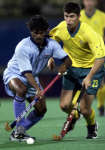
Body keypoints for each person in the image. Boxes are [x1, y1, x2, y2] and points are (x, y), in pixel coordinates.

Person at [3, 15, 72, 142]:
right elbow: (26, 72)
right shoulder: (23, 47)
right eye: (35, 33)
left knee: (41, 109)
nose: (39, 36)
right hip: (14, 74)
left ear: (46, 31)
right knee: (21, 89)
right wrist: (37, 90)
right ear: (31, 32)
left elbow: (67, 60)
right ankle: (19, 131)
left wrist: (64, 66)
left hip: (32, 78)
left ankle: (19, 132)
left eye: (41, 33)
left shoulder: (52, 44)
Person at [49, 2, 105, 139]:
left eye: (72, 17)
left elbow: (101, 58)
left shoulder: (88, 33)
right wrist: (50, 56)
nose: (68, 20)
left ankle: (92, 126)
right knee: (64, 105)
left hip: (92, 70)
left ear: (79, 16)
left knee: (85, 109)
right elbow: (52, 39)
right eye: (66, 16)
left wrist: (90, 76)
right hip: (72, 68)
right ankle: (74, 115)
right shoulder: (62, 27)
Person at [80, 0, 105, 116]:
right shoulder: (78, 15)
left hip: (100, 53)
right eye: (87, 0)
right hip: (84, 55)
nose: (89, 3)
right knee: (81, 82)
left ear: (96, 2)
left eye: (92, 0)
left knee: (101, 83)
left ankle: (100, 106)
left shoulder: (102, 16)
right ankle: (79, 108)